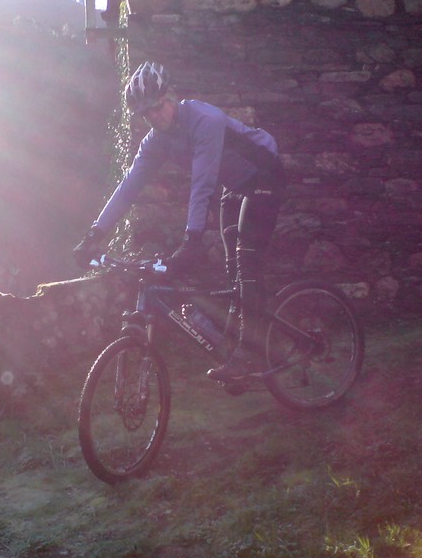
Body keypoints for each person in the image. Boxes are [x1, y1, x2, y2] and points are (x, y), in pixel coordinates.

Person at [73, 61, 286, 382]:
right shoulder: (156, 140)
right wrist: (94, 234)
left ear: (170, 96)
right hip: (235, 185)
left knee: (246, 262)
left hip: (265, 174)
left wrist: (192, 239)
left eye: (157, 107)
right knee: (232, 267)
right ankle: (243, 342)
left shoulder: (205, 120)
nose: (154, 116)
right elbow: (129, 187)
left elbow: (202, 182)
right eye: (146, 113)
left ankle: (250, 354)